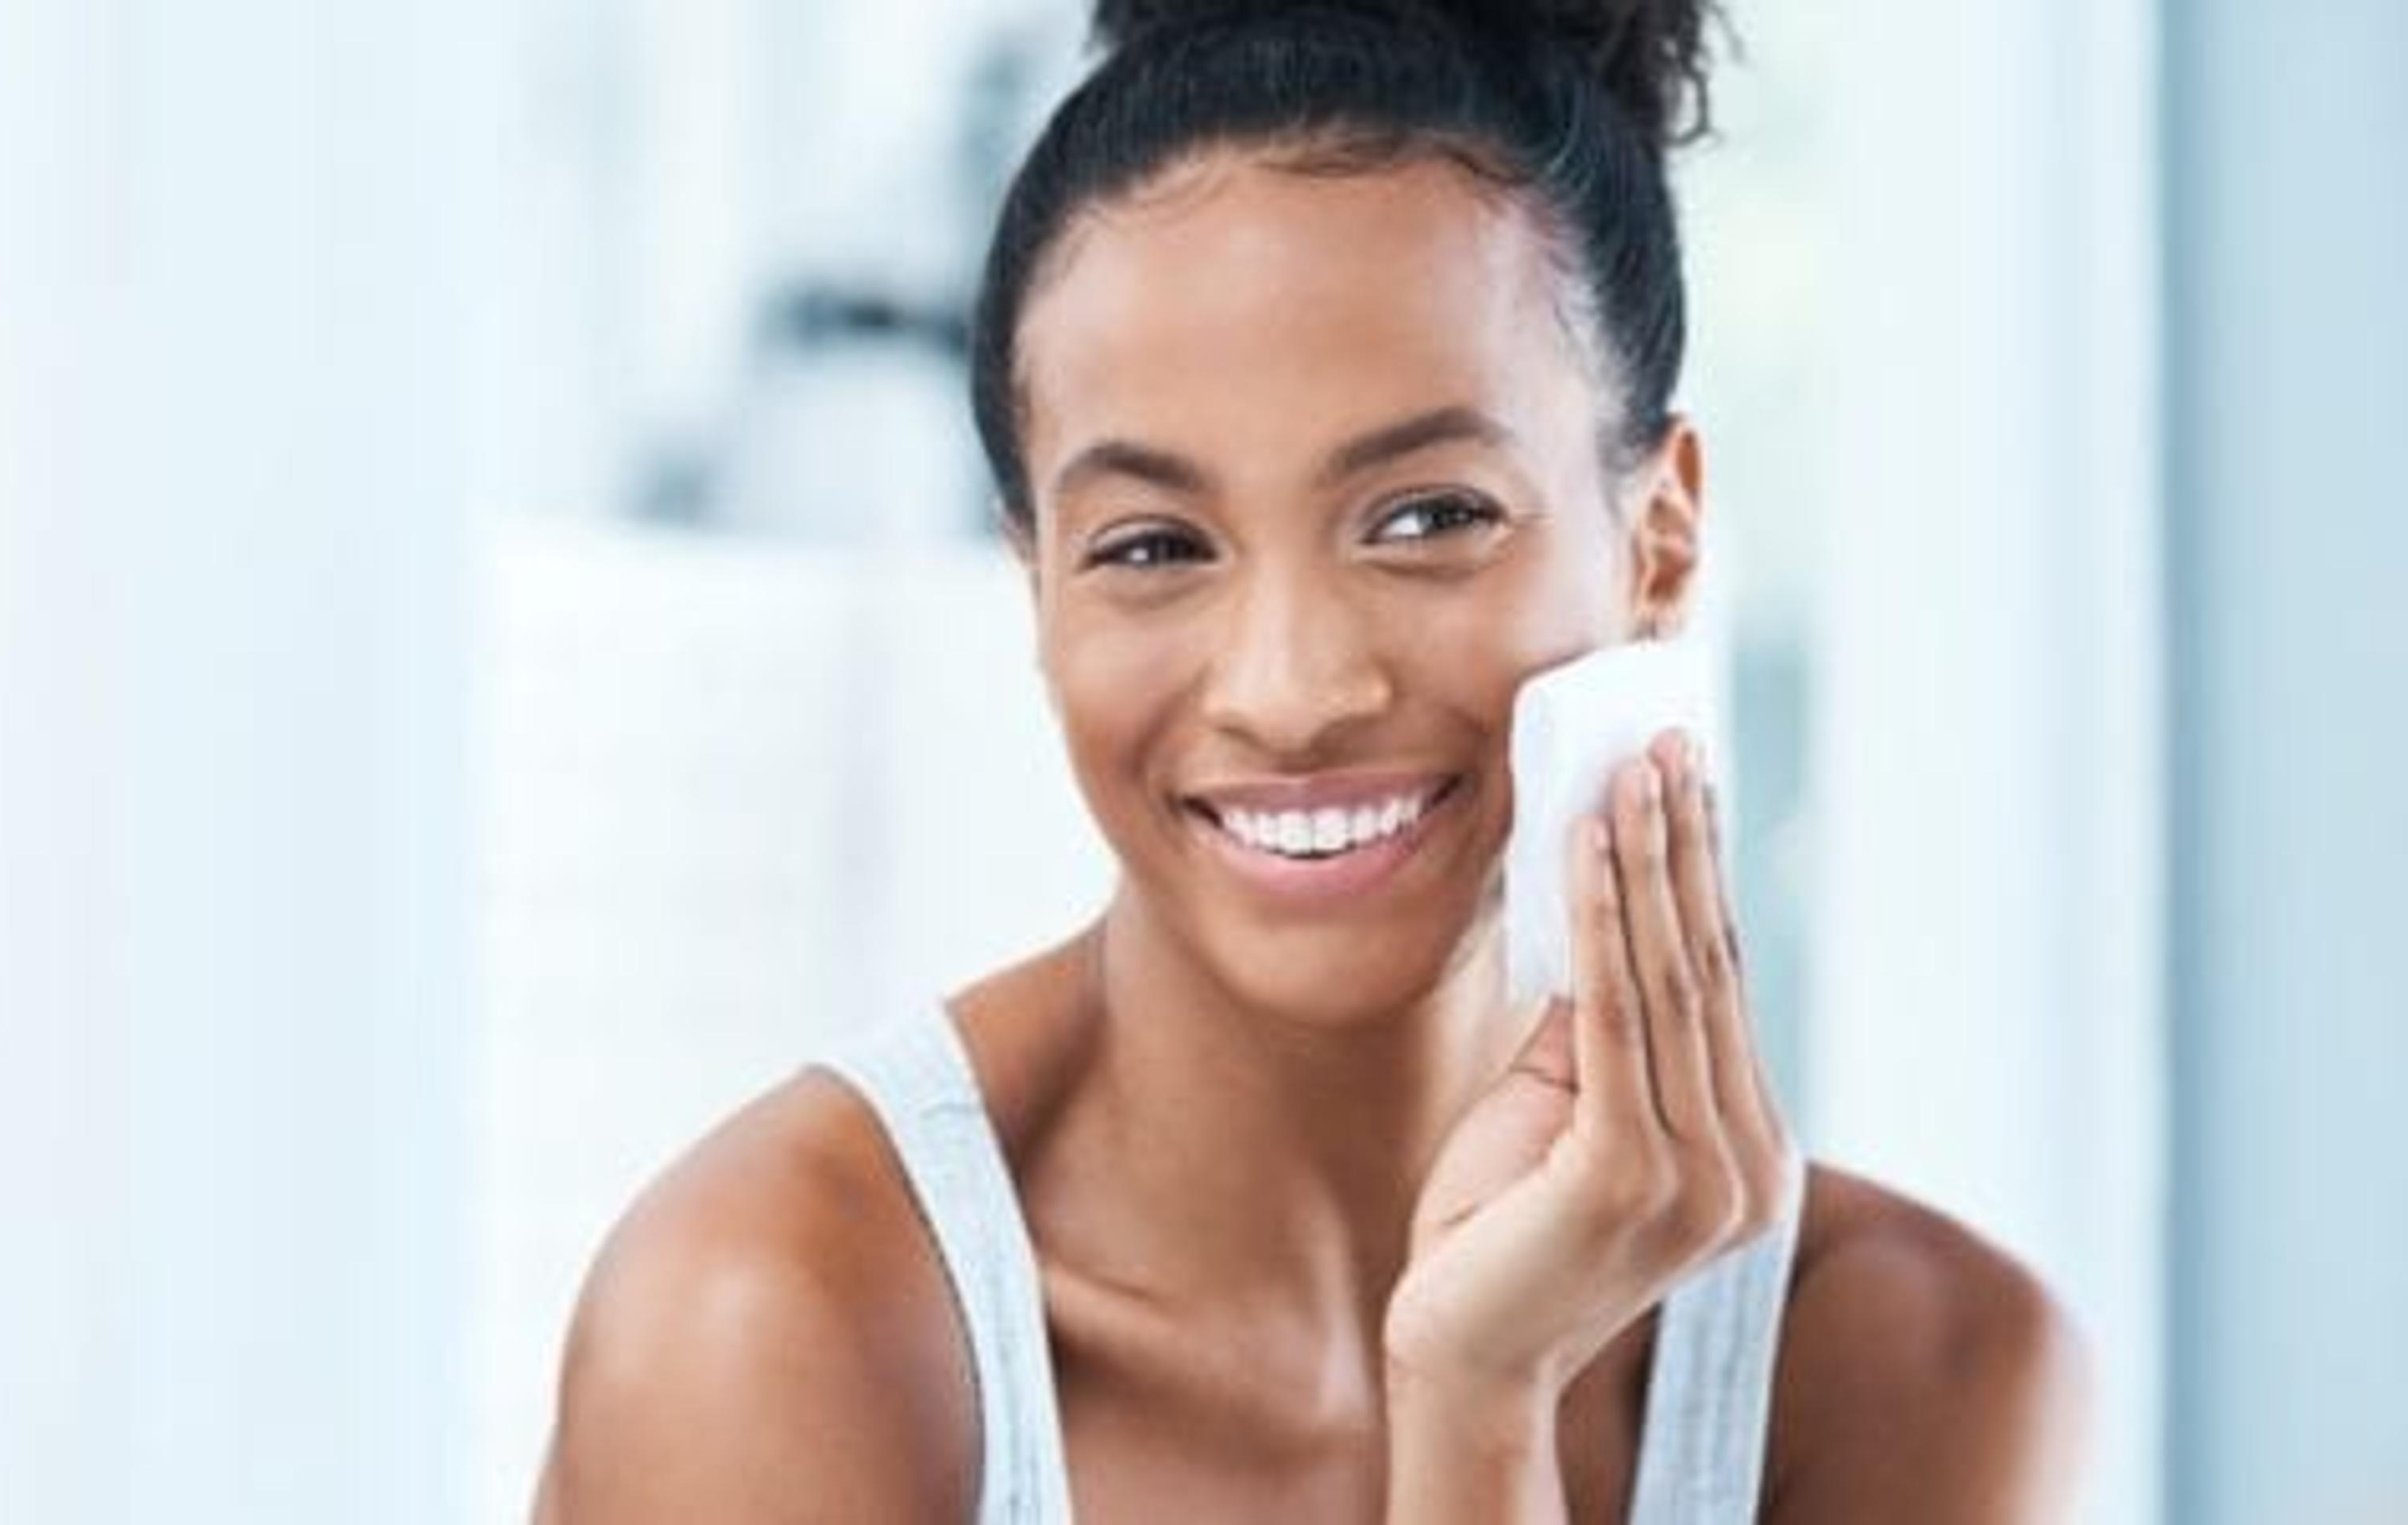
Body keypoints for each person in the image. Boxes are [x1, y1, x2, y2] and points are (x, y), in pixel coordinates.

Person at [534, 1, 2089, 1519]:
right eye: (1153, 545)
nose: (1292, 690)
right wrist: (1481, 1404)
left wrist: (1478, 1392)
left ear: (1661, 538)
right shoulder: (771, 1322)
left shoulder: (1910, 1367)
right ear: (1038, 587)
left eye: (1428, 518)